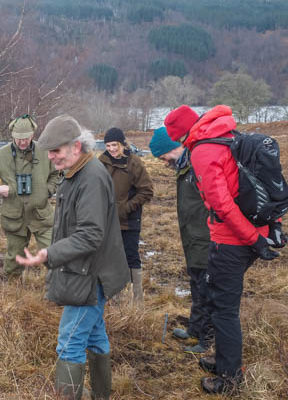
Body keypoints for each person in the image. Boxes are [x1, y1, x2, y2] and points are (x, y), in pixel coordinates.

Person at [164, 104, 281, 394]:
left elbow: (223, 205)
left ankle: (229, 377)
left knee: (224, 309)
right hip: (248, 234)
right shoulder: (226, 135)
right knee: (220, 302)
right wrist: (271, 228)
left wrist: (253, 239)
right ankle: (223, 358)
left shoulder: (204, 150)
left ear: (181, 135)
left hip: (231, 240)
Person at [16, 115, 130, 400]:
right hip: (86, 270)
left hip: (92, 276)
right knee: (94, 335)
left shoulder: (90, 177)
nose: (51, 156)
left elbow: (91, 234)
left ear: (76, 146)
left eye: (56, 150)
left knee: (69, 342)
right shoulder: (75, 172)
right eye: (49, 151)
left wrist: (48, 253)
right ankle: (102, 396)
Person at [149, 127, 213, 354]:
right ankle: (195, 330)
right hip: (192, 237)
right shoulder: (184, 166)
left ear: (172, 147)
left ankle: (207, 341)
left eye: (163, 155)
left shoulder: (197, 164)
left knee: (207, 288)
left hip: (206, 237)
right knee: (196, 283)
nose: (164, 162)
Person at [0, 114, 59, 280]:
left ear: (33, 135)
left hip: (41, 214)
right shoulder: (1, 155)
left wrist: (48, 191)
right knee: (14, 258)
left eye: (26, 138)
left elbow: (56, 174)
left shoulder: (45, 151)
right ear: (12, 136)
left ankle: (58, 289)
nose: (23, 142)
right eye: (19, 139)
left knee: (54, 253)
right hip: (14, 216)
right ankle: (11, 290)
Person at [98, 128, 153, 304]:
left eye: (115, 145)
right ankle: (114, 300)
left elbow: (146, 191)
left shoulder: (134, 163)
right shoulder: (101, 162)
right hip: (107, 222)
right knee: (110, 259)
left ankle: (136, 302)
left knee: (131, 258)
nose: (112, 149)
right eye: (108, 145)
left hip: (129, 221)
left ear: (122, 143)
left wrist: (126, 208)